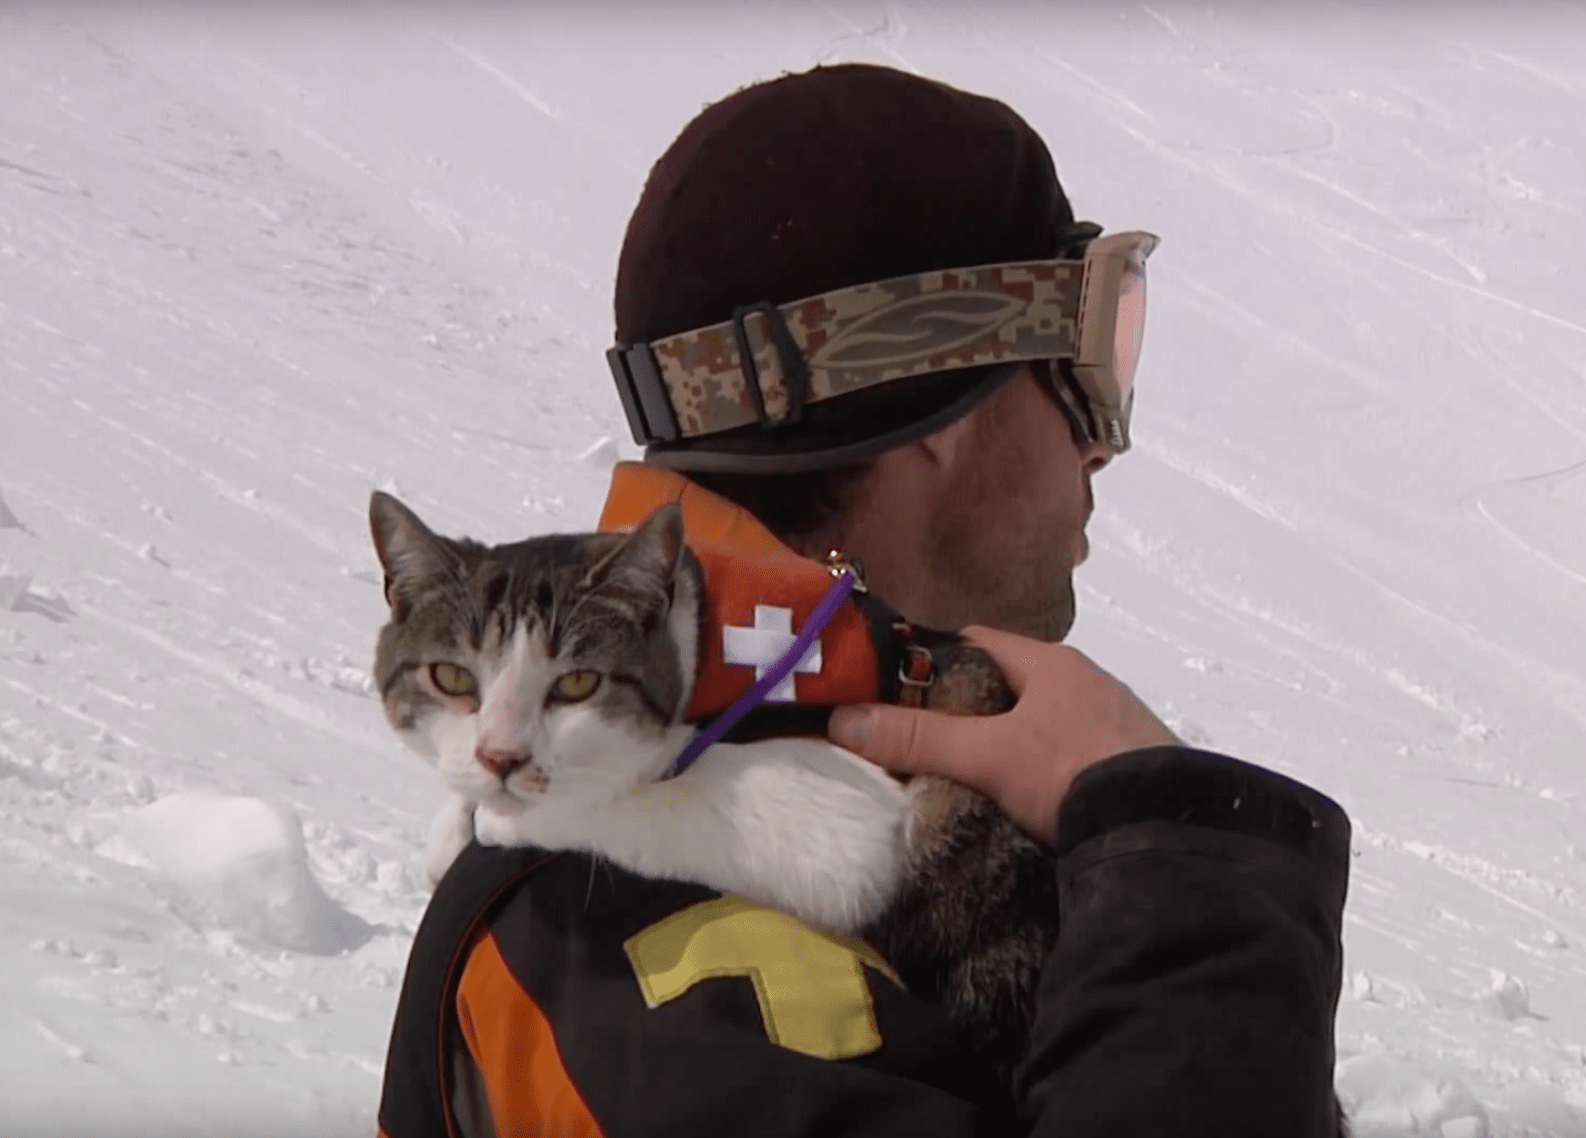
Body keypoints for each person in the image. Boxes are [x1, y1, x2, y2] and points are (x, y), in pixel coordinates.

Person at [377, 63, 1350, 1138]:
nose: (1095, 442)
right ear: (934, 396)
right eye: (1077, 365)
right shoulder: (609, 925)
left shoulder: (825, 769)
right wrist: (1188, 895)